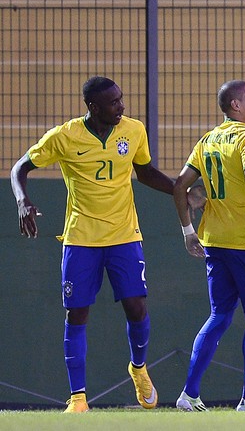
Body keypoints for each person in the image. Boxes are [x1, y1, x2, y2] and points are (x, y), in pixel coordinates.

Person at [10, 76, 174, 413]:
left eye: (121, 99)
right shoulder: (65, 136)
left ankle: (139, 369)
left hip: (125, 235)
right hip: (81, 238)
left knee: (137, 307)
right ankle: (78, 398)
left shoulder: (133, 130)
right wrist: (22, 201)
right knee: (77, 313)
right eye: (113, 102)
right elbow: (20, 168)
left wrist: (182, 191)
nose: (121, 106)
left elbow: (145, 173)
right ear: (93, 107)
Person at [172, 80, 245, 412]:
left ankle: (189, 394)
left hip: (214, 241)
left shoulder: (207, 140)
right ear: (235, 105)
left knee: (219, 315)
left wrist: (188, 230)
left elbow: (180, 186)